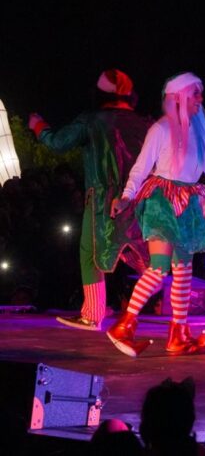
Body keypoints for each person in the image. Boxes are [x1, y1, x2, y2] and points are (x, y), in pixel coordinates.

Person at [107, 73, 205, 356]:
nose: (200, 100)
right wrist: (127, 195)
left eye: (200, 95)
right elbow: (141, 167)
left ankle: (177, 334)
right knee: (158, 268)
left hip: (188, 203)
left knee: (184, 272)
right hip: (162, 201)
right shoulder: (161, 129)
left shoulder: (197, 133)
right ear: (178, 97)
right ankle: (125, 324)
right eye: (195, 94)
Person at [27, 69, 152, 330]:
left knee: (92, 254)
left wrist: (39, 126)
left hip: (103, 200)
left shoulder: (91, 121)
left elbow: (58, 143)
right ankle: (177, 308)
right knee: (150, 258)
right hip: (142, 198)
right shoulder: (145, 124)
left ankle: (94, 313)